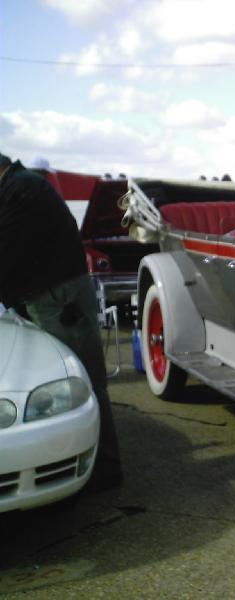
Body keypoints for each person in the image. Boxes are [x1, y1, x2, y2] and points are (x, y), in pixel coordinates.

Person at [0, 152, 122, 491]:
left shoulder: (23, 191)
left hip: (58, 297)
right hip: (51, 294)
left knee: (79, 380)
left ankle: (104, 469)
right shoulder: (21, 186)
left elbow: (6, 251)